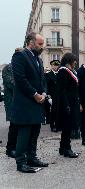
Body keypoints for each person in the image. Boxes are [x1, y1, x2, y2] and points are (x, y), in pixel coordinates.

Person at [11, 32, 48, 173]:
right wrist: (34, 94)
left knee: (35, 132)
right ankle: (21, 162)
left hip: (38, 102)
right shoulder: (20, 56)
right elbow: (20, 79)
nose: (42, 46)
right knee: (24, 133)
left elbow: (42, 79)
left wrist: (43, 93)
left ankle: (32, 157)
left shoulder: (38, 59)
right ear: (30, 42)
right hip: (26, 102)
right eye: (39, 44)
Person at [56, 52, 80, 158]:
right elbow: (62, 90)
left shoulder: (70, 71)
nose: (75, 62)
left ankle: (62, 148)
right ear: (69, 60)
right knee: (67, 127)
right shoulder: (63, 71)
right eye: (74, 60)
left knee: (67, 127)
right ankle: (67, 149)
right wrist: (66, 105)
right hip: (67, 103)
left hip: (72, 102)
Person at [3, 48, 23, 158]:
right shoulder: (8, 68)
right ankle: (10, 149)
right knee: (14, 125)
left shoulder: (20, 68)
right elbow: (10, 83)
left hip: (21, 101)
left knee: (20, 125)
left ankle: (17, 147)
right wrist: (24, 87)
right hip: (12, 101)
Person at [45, 60, 60, 132]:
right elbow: (46, 86)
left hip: (59, 96)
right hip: (52, 95)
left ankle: (58, 125)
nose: (56, 66)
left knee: (59, 111)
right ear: (52, 65)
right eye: (55, 65)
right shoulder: (48, 74)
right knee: (53, 112)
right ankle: (52, 126)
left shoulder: (60, 74)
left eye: (57, 65)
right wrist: (48, 97)